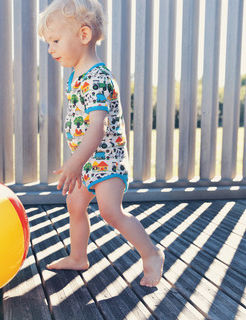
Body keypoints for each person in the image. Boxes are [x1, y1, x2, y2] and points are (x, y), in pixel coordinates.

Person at [38, 0, 164, 287]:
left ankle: (151, 254)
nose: (50, 49)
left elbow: (98, 127)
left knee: (110, 211)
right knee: (75, 204)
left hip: (106, 160)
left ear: (83, 36)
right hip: (87, 161)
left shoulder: (98, 78)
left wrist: (74, 162)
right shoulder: (76, 77)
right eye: (48, 43)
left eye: (55, 40)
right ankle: (78, 257)